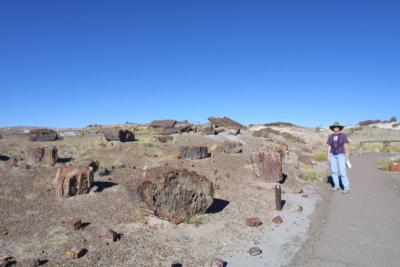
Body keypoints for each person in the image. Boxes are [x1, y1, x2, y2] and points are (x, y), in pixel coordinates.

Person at [327, 122, 350, 193]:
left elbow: (345, 145)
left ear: (339, 128)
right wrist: (328, 155)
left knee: (342, 171)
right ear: (333, 128)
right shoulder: (330, 136)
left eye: (337, 127)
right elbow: (329, 146)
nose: (336, 128)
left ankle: (346, 187)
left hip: (341, 154)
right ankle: (336, 185)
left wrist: (346, 154)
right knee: (334, 171)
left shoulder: (343, 136)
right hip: (332, 154)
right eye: (334, 127)